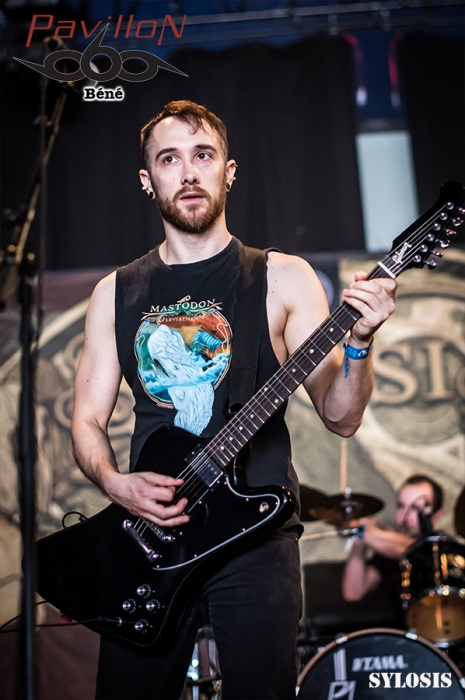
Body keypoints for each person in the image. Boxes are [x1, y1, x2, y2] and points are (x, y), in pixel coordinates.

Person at [70, 100, 396, 700]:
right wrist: (115, 483)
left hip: (256, 539)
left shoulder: (284, 277)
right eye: (169, 159)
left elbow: (342, 417)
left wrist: (359, 344)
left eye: (203, 155)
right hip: (153, 537)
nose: (188, 172)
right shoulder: (114, 293)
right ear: (147, 180)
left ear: (229, 170)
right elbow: (87, 419)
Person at [342, 474, 444, 603]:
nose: (405, 516)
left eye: (415, 508)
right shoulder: (387, 553)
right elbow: (353, 593)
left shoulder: (441, 545)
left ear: (436, 516)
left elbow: (412, 548)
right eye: (401, 506)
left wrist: (361, 530)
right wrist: (359, 542)